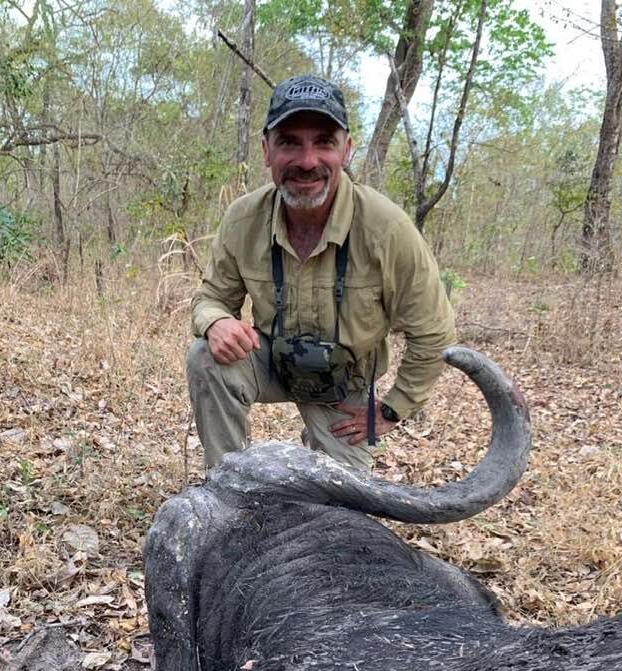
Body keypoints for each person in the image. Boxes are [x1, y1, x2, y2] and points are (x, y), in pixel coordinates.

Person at [187, 74, 455, 471]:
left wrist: (393, 409)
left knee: (344, 510)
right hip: (272, 362)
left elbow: (434, 332)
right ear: (266, 150)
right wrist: (215, 322)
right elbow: (209, 298)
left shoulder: (388, 229)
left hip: (343, 388)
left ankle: (322, 442)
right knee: (205, 357)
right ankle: (226, 488)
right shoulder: (243, 218)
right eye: (290, 142)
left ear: (346, 150)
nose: (308, 161)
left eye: (324, 142)